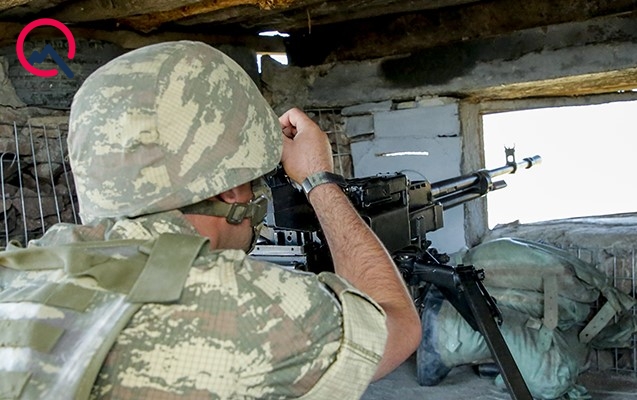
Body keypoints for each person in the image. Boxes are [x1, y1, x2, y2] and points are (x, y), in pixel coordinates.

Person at [0, 41, 420, 399]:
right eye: (254, 180)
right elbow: (396, 328)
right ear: (231, 190)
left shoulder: (19, 272)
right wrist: (319, 180)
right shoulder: (244, 305)